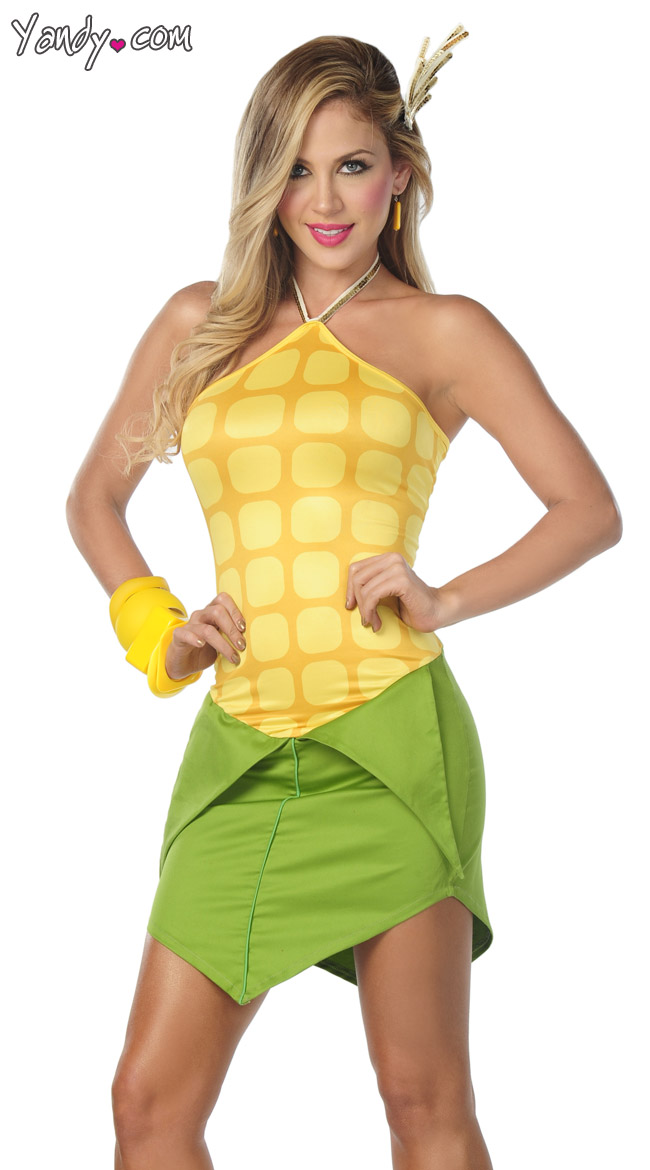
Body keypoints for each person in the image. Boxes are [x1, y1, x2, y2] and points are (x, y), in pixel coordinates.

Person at [66, 27, 622, 1170]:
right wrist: (160, 632)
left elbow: (586, 509)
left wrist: (444, 597)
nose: (323, 202)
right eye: (296, 170)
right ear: (262, 183)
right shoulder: (196, 326)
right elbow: (94, 502)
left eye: (352, 165)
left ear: (398, 172)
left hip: (389, 744)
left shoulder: (445, 331)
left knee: (420, 1102)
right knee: (146, 1108)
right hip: (238, 747)